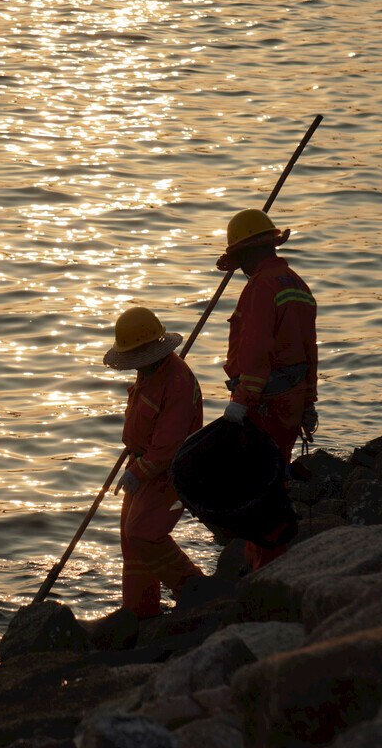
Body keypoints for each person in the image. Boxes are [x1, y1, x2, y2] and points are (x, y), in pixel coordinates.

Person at [217, 208, 318, 570]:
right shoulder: (297, 284)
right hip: (291, 402)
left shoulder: (260, 288)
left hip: (264, 404)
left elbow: (256, 351)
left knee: (257, 485)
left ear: (245, 254)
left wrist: (242, 401)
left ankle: (265, 566)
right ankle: (265, 561)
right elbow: (310, 351)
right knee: (276, 477)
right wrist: (308, 404)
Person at [104, 306, 206, 619]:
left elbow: (169, 445)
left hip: (167, 471)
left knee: (144, 532)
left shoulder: (176, 382)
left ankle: (194, 589)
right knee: (131, 543)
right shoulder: (150, 371)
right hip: (142, 464)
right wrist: (134, 462)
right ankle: (139, 612)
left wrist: (138, 472)